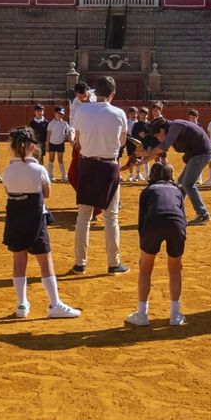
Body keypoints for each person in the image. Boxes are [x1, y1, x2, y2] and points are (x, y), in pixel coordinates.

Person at [1, 127, 78, 319]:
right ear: (32, 147)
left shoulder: (8, 170)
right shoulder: (39, 169)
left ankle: (21, 305)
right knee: (45, 261)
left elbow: (8, 192)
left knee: (19, 261)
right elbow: (47, 193)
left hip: (15, 217)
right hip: (35, 219)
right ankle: (55, 303)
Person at [68, 76, 129, 275]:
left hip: (86, 165)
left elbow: (77, 139)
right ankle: (113, 263)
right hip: (108, 166)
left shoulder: (81, 110)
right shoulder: (118, 113)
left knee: (83, 216)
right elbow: (121, 143)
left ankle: (80, 263)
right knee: (111, 217)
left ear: (96, 91)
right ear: (113, 93)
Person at [128, 160, 188, 327]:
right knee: (175, 268)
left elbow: (142, 222)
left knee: (145, 269)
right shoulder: (178, 190)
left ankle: (141, 314)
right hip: (176, 224)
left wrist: (143, 248)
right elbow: (183, 217)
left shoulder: (147, 191)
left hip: (153, 223)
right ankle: (175, 315)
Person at [147, 112, 211, 225]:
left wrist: (145, 153)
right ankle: (174, 210)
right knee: (181, 183)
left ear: (162, 131)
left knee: (187, 184)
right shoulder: (173, 128)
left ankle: (203, 214)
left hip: (201, 154)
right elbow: (158, 152)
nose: (158, 139)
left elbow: (163, 146)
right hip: (196, 155)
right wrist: (141, 160)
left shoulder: (175, 126)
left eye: (157, 136)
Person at [45, 106, 71, 181]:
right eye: (59, 113)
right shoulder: (51, 123)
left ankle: (63, 176)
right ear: (55, 113)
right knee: (51, 159)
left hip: (60, 144)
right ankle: (50, 175)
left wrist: (70, 139)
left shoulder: (65, 123)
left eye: (62, 114)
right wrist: (47, 145)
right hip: (52, 143)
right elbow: (48, 134)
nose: (60, 115)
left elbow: (69, 132)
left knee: (60, 160)